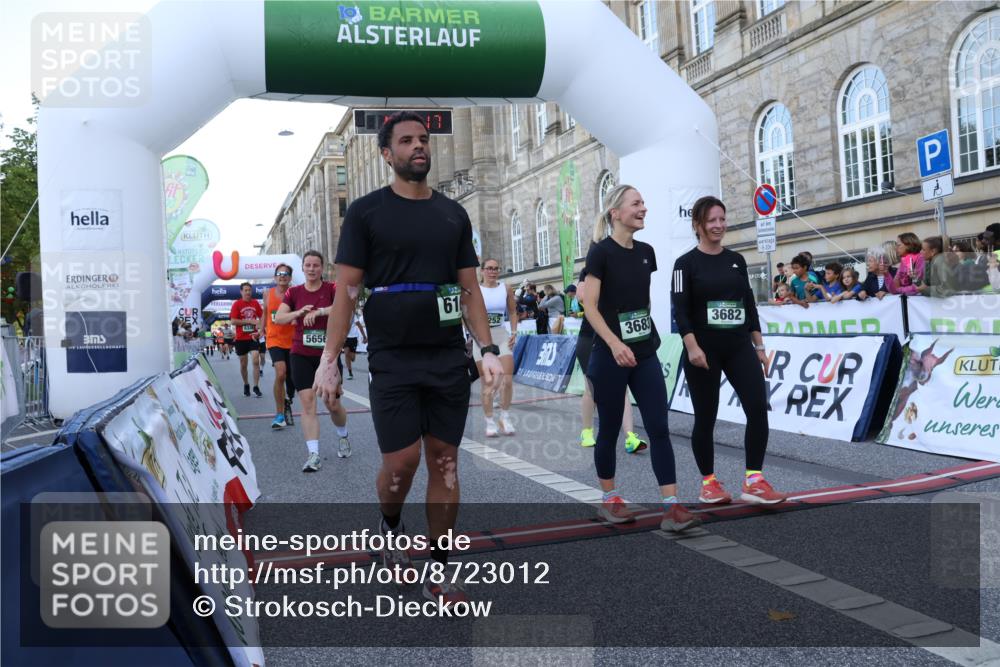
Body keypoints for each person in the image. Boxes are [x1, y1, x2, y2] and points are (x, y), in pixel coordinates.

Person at [313, 111, 503, 605]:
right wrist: (329, 360)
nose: (419, 146)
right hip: (393, 359)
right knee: (402, 462)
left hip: (446, 358)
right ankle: (391, 525)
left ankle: (441, 569)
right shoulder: (365, 213)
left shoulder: (452, 214)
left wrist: (487, 350)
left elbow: (468, 291)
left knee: (445, 463)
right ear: (386, 154)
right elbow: (347, 292)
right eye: (407, 141)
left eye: (423, 139)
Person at [582, 183, 699, 532]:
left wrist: (639, 335)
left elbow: (643, 303)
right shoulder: (600, 253)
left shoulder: (647, 252)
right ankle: (610, 499)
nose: (644, 208)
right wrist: (616, 344)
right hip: (609, 353)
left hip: (644, 351)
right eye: (636, 204)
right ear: (616, 212)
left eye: (644, 203)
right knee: (610, 429)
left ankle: (671, 507)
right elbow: (590, 305)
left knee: (659, 428)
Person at [672, 195, 787, 506]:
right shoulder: (684, 264)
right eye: (712, 220)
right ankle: (708, 482)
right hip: (703, 351)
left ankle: (754, 479)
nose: (719, 225)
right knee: (706, 417)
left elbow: (748, 305)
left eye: (722, 219)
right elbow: (680, 312)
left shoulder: (736, 259)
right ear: (698, 225)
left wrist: (759, 346)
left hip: (738, 347)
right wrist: (692, 347)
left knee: (757, 407)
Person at [274, 251, 350, 470]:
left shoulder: (332, 288)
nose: (311, 269)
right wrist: (298, 313)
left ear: (322, 268)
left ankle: (343, 436)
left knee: (332, 403)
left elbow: (344, 307)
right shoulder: (293, 292)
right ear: (303, 268)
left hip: (328, 354)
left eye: (316, 265)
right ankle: (313, 454)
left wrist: (319, 312)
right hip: (301, 353)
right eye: (308, 265)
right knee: (308, 403)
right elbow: (279, 318)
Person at [575, 267, 649, 453]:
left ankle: (630, 437)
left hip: (617, 339)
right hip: (590, 338)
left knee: (622, 388)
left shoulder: (623, 272)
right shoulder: (590, 271)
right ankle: (587, 431)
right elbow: (581, 297)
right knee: (591, 388)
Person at [475, 258, 517, 437]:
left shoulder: (505, 288)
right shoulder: (475, 290)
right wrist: (467, 336)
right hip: (481, 339)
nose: (493, 271)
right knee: (489, 382)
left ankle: (505, 417)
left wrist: (514, 331)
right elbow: (466, 314)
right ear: (482, 271)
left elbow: (513, 311)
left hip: (500, 335)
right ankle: (489, 421)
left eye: (496, 268)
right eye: (489, 268)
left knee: (507, 380)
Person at [265, 263, 297, 429]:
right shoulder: (268, 294)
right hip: (274, 338)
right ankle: (279, 415)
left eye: (286, 273)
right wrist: (259, 330)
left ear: (290, 278)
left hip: (292, 340)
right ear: (275, 277)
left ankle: (288, 399)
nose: (282, 275)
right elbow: (265, 314)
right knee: (281, 373)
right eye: (279, 273)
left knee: (293, 378)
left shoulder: (296, 293)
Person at [229, 283, 263, 397]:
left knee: (255, 360)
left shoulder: (255, 303)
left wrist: (260, 326)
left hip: (253, 336)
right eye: (246, 290)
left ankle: (256, 386)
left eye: (249, 290)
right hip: (241, 338)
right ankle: (246, 384)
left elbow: (262, 316)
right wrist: (249, 321)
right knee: (243, 364)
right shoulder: (237, 304)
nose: (248, 292)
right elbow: (233, 321)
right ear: (241, 292)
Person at [343, 308, 368, 380]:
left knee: (353, 359)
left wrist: (364, 337)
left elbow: (360, 326)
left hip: (353, 338)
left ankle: (352, 358)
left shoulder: (353, 316)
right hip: (346, 337)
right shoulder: (342, 315)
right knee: (346, 353)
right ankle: (350, 373)